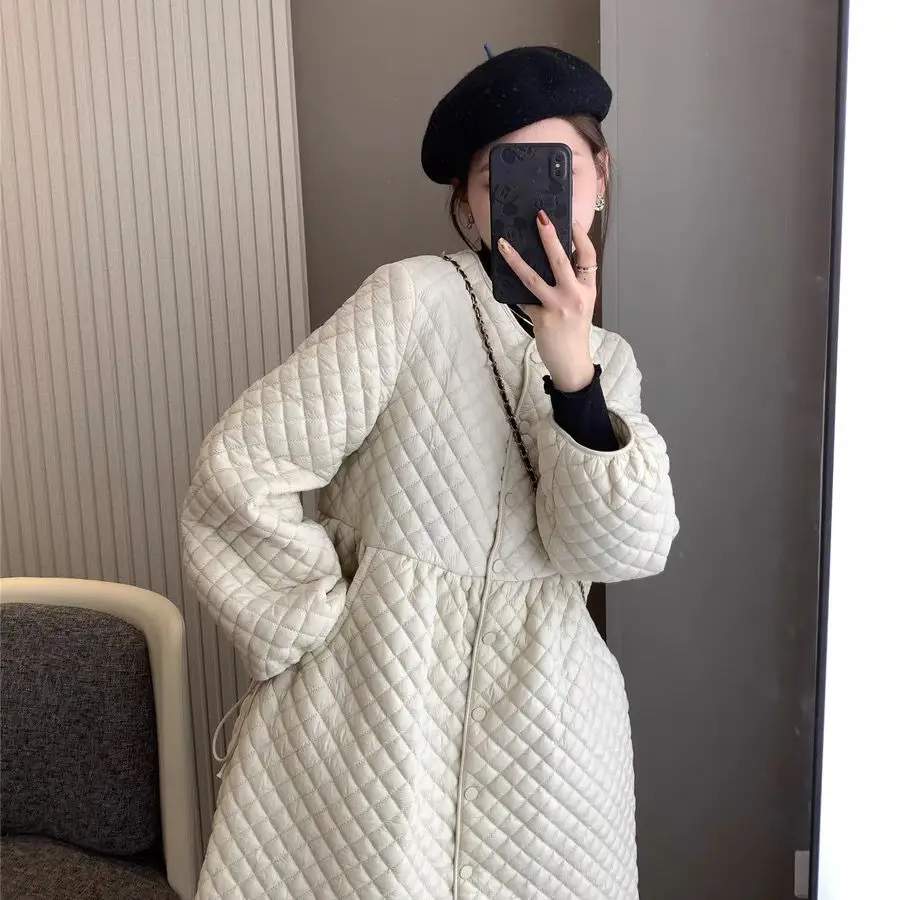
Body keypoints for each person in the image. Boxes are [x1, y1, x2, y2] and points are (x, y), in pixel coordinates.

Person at [182, 45, 679, 900]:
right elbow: (242, 469)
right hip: (379, 713)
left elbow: (617, 552)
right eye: (499, 177)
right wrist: (319, 624)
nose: (535, 200)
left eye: (556, 167)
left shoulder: (611, 361)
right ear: (469, 204)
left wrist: (571, 368)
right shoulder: (410, 300)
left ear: (598, 174)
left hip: (553, 735)